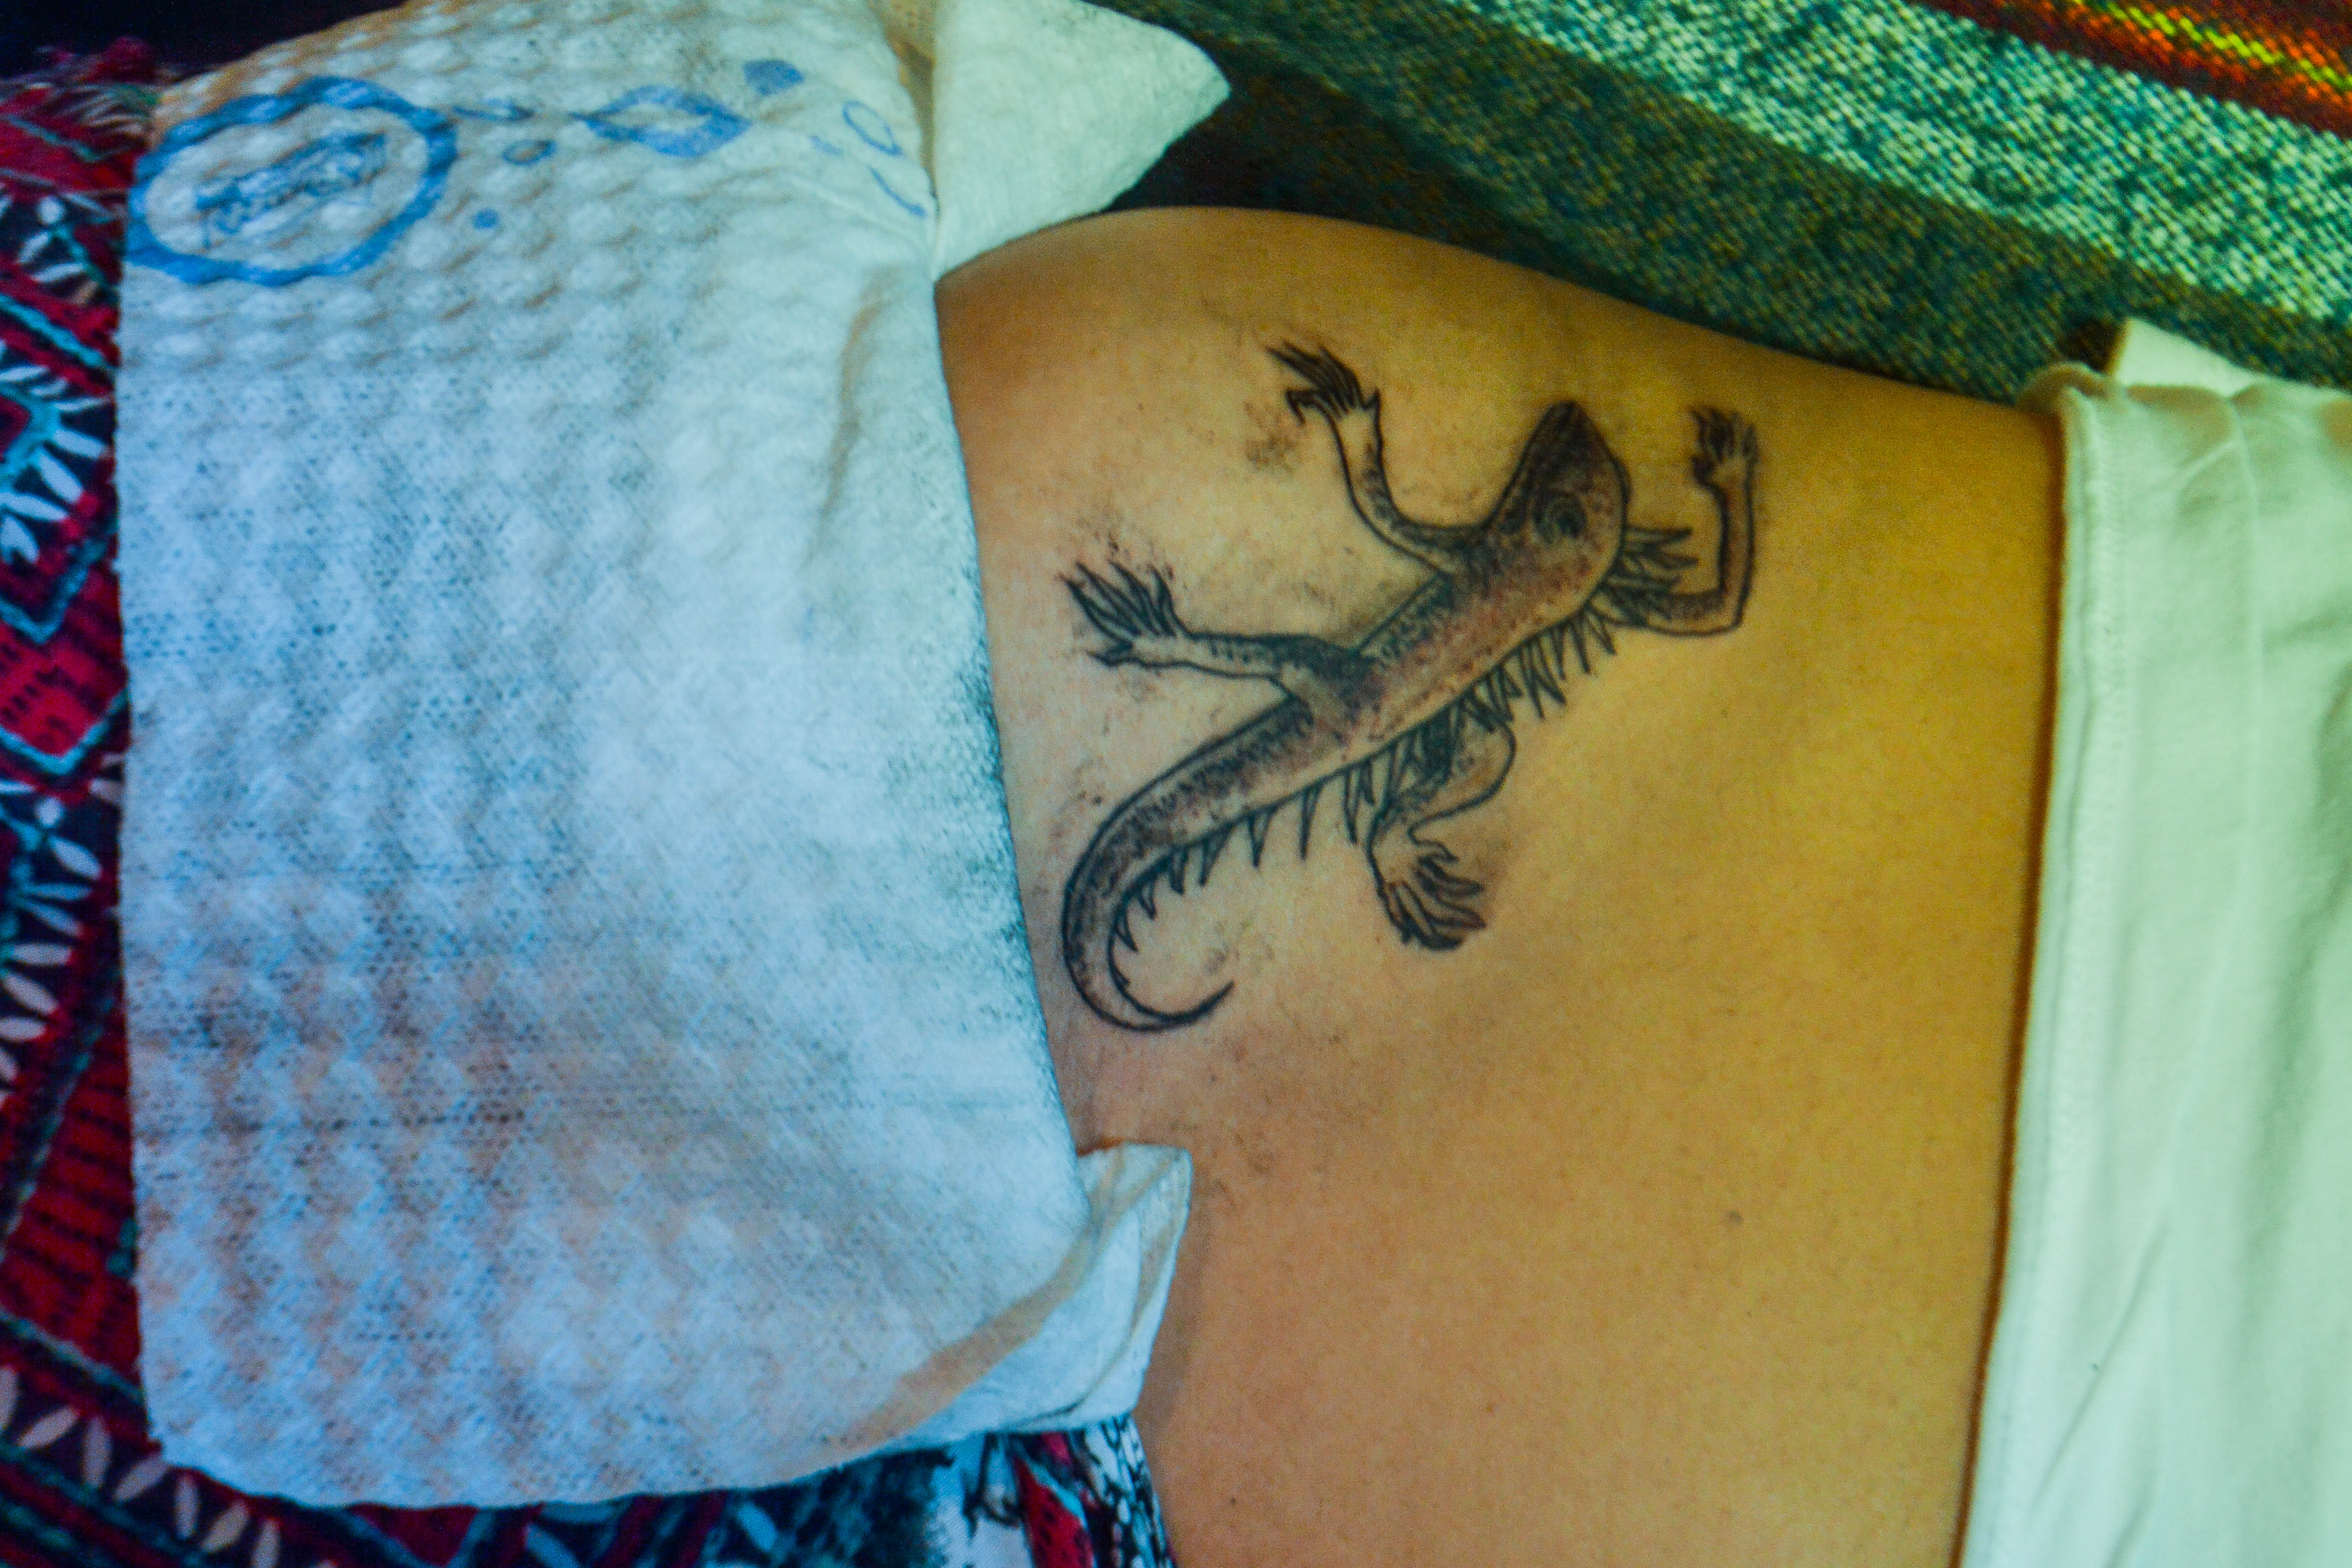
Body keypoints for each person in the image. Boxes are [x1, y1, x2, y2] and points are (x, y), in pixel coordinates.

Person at [935, 205, 2059, 1568]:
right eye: (1556, 507)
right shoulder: (1539, 567)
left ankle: (1231, 703)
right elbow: (1434, 529)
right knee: (1323, 728)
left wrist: (1720, 488)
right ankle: (1241, 719)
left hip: (1368, 707)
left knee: (1365, 723)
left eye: (1561, 511)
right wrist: (1710, 488)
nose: (1558, 495)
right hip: (1358, 700)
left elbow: (1549, 562)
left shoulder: (1542, 573)